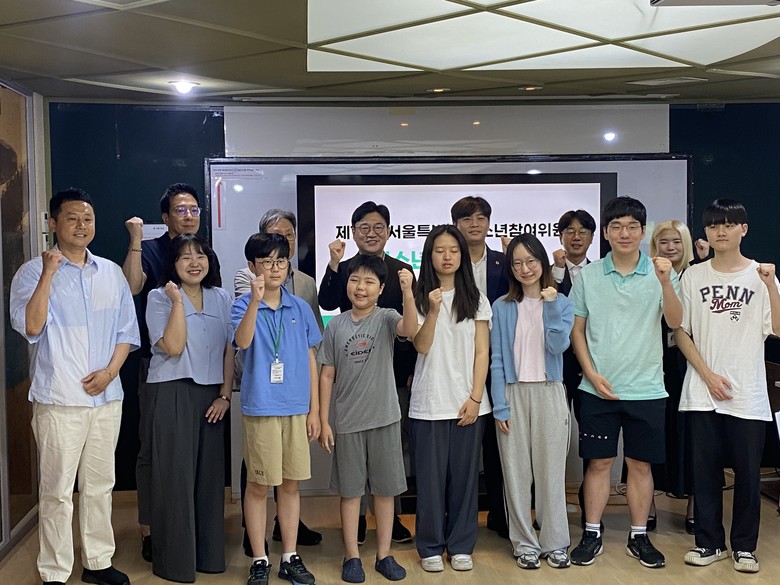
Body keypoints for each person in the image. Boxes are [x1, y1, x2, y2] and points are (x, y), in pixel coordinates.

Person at [10, 188, 140, 585]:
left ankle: (98, 563)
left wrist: (110, 372)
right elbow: (31, 326)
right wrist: (49, 272)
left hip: (106, 398)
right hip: (59, 400)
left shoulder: (111, 273)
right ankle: (54, 572)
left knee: (100, 486)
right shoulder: (31, 272)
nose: (81, 225)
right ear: (53, 224)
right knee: (57, 491)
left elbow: (126, 332)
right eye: (72, 218)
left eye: (88, 218)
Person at [568, 196, 681, 569]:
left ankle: (639, 536)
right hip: (597, 389)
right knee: (599, 463)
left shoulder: (660, 272)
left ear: (643, 231)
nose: (624, 233)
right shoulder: (589, 276)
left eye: (632, 226)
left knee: (640, 466)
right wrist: (590, 372)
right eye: (616, 226)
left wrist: (665, 282)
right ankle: (591, 533)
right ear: (605, 232)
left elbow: (675, 322)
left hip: (647, 389)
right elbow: (577, 330)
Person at [676, 199, 779, 574]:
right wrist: (707, 375)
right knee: (704, 472)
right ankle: (709, 543)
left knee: (748, 475)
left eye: (729, 224)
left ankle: (745, 548)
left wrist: (770, 286)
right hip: (702, 391)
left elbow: (778, 329)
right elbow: (681, 332)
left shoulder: (761, 274)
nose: (721, 231)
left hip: (747, 392)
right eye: (714, 225)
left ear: (743, 229)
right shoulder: (693, 276)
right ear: (705, 231)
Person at [123, 182, 221, 562]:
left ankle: (191, 534)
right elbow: (133, 285)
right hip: (160, 365)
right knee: (154, 451)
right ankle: (152, 530)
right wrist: (135, 240)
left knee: (195, 460)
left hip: (203, 374)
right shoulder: (151, 250)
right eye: (181, 210)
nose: (189, 215)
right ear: (165, 217)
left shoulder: (205, 255)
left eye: (194, 209)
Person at [318, 201, 414, 544]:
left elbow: (409, 326)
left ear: (388, 231)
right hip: (351, 371)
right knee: (354, 466)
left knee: (391, 456)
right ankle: (357, 520)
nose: (371, 233)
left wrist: (411, 371)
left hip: (391, 375)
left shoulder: (403, 270)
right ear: (353, 231)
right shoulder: (345, 267)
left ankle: (392, 520)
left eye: (377, 227)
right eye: (363, 227)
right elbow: (327, 302)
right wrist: (333, 264)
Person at [233, 233, 322, 585]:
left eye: (280, 261)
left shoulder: (299, 307)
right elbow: (242, 341)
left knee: (290, 485)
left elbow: (312, 358)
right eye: (266, 262)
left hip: (297, 408)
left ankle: (289, 555)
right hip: (261, 408)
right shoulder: (242, 305)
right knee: (258, 485)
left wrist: (315, 410)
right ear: (252, 266)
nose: (274, 268)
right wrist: (255, 302)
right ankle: (259, 558)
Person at [144, 234, 234, 582]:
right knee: (174, 477)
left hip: (212, 395)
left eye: (200, 256)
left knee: (210, 479)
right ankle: (174, 563)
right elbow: (173, 346)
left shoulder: (221, 297)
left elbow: (229, 348)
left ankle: (209, 556)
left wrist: (225, 395)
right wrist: (178, 302)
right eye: (185, 258)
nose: (194, 263)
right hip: (172, 389)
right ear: (173, 264)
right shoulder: (159, 296)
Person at [409, 225, 492, 573]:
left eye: (454, 251)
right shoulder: (418, 297)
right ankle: (429, 546)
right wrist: (431, 310)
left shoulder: (476, 298)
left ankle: (460, 545)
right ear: (429, 256)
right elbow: (421, 345)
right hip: (429, 403)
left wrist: (476, 397)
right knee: (429, 482)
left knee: (464, 480)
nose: (447, 257)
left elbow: (482, 352)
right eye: (440, 250)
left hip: (468, 403)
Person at [491, 234, 574, 570]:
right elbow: (497, 358)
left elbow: (558, 347)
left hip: (550, 392)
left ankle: (556, 543)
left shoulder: (561, 303)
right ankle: (524, 544)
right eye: (517, 263)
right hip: (513, 393)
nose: (525, 269)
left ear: (542, 262)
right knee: (516, 475)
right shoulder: (502, 306)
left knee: (551, 474)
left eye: (531, 261)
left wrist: (551, 304)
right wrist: (499, 404)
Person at [450, 196, 509, 539]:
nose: (475, 224)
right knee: (461, 452)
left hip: (499, 363)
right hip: (457, 366)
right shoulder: (447, 263)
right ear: (455, 224)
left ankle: (501, 516)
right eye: (467, 219)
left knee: (498, 447)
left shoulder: (505, 261)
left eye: (481, 218)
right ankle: (460, 522)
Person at [649, 220, 696, 531]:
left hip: (691, 363)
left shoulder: (697, 275)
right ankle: (648, 506)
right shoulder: (646, 275)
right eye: (663, 242)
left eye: (676, 241)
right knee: (652, 433)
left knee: (693, 436)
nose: (670, 247)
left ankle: (694, 506)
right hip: (654, 363)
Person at [551, 209, 596, 528]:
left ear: (593, 237)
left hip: (589, 368)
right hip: (554, 367)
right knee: (552, 439)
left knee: (591, 439)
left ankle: (589, 506)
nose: (576, 237)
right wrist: (555, 272)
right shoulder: (545, 272)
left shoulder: (601, 274)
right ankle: (550, 507)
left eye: (582, 231)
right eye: (569, 231)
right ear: (560, 236)